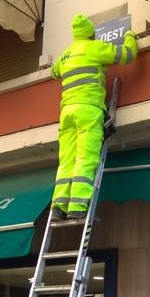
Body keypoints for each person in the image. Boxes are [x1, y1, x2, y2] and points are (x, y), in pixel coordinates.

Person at [50, 13, 138, 221]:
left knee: (66, 161)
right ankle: (78, 207)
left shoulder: (66, 55)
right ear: (91, 34)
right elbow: (127, 55)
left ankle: (58, 207)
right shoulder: (95, 48)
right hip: (88, 109)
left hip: (67, 113)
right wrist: (131, 36)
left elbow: (54, 72)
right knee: (86, 157)